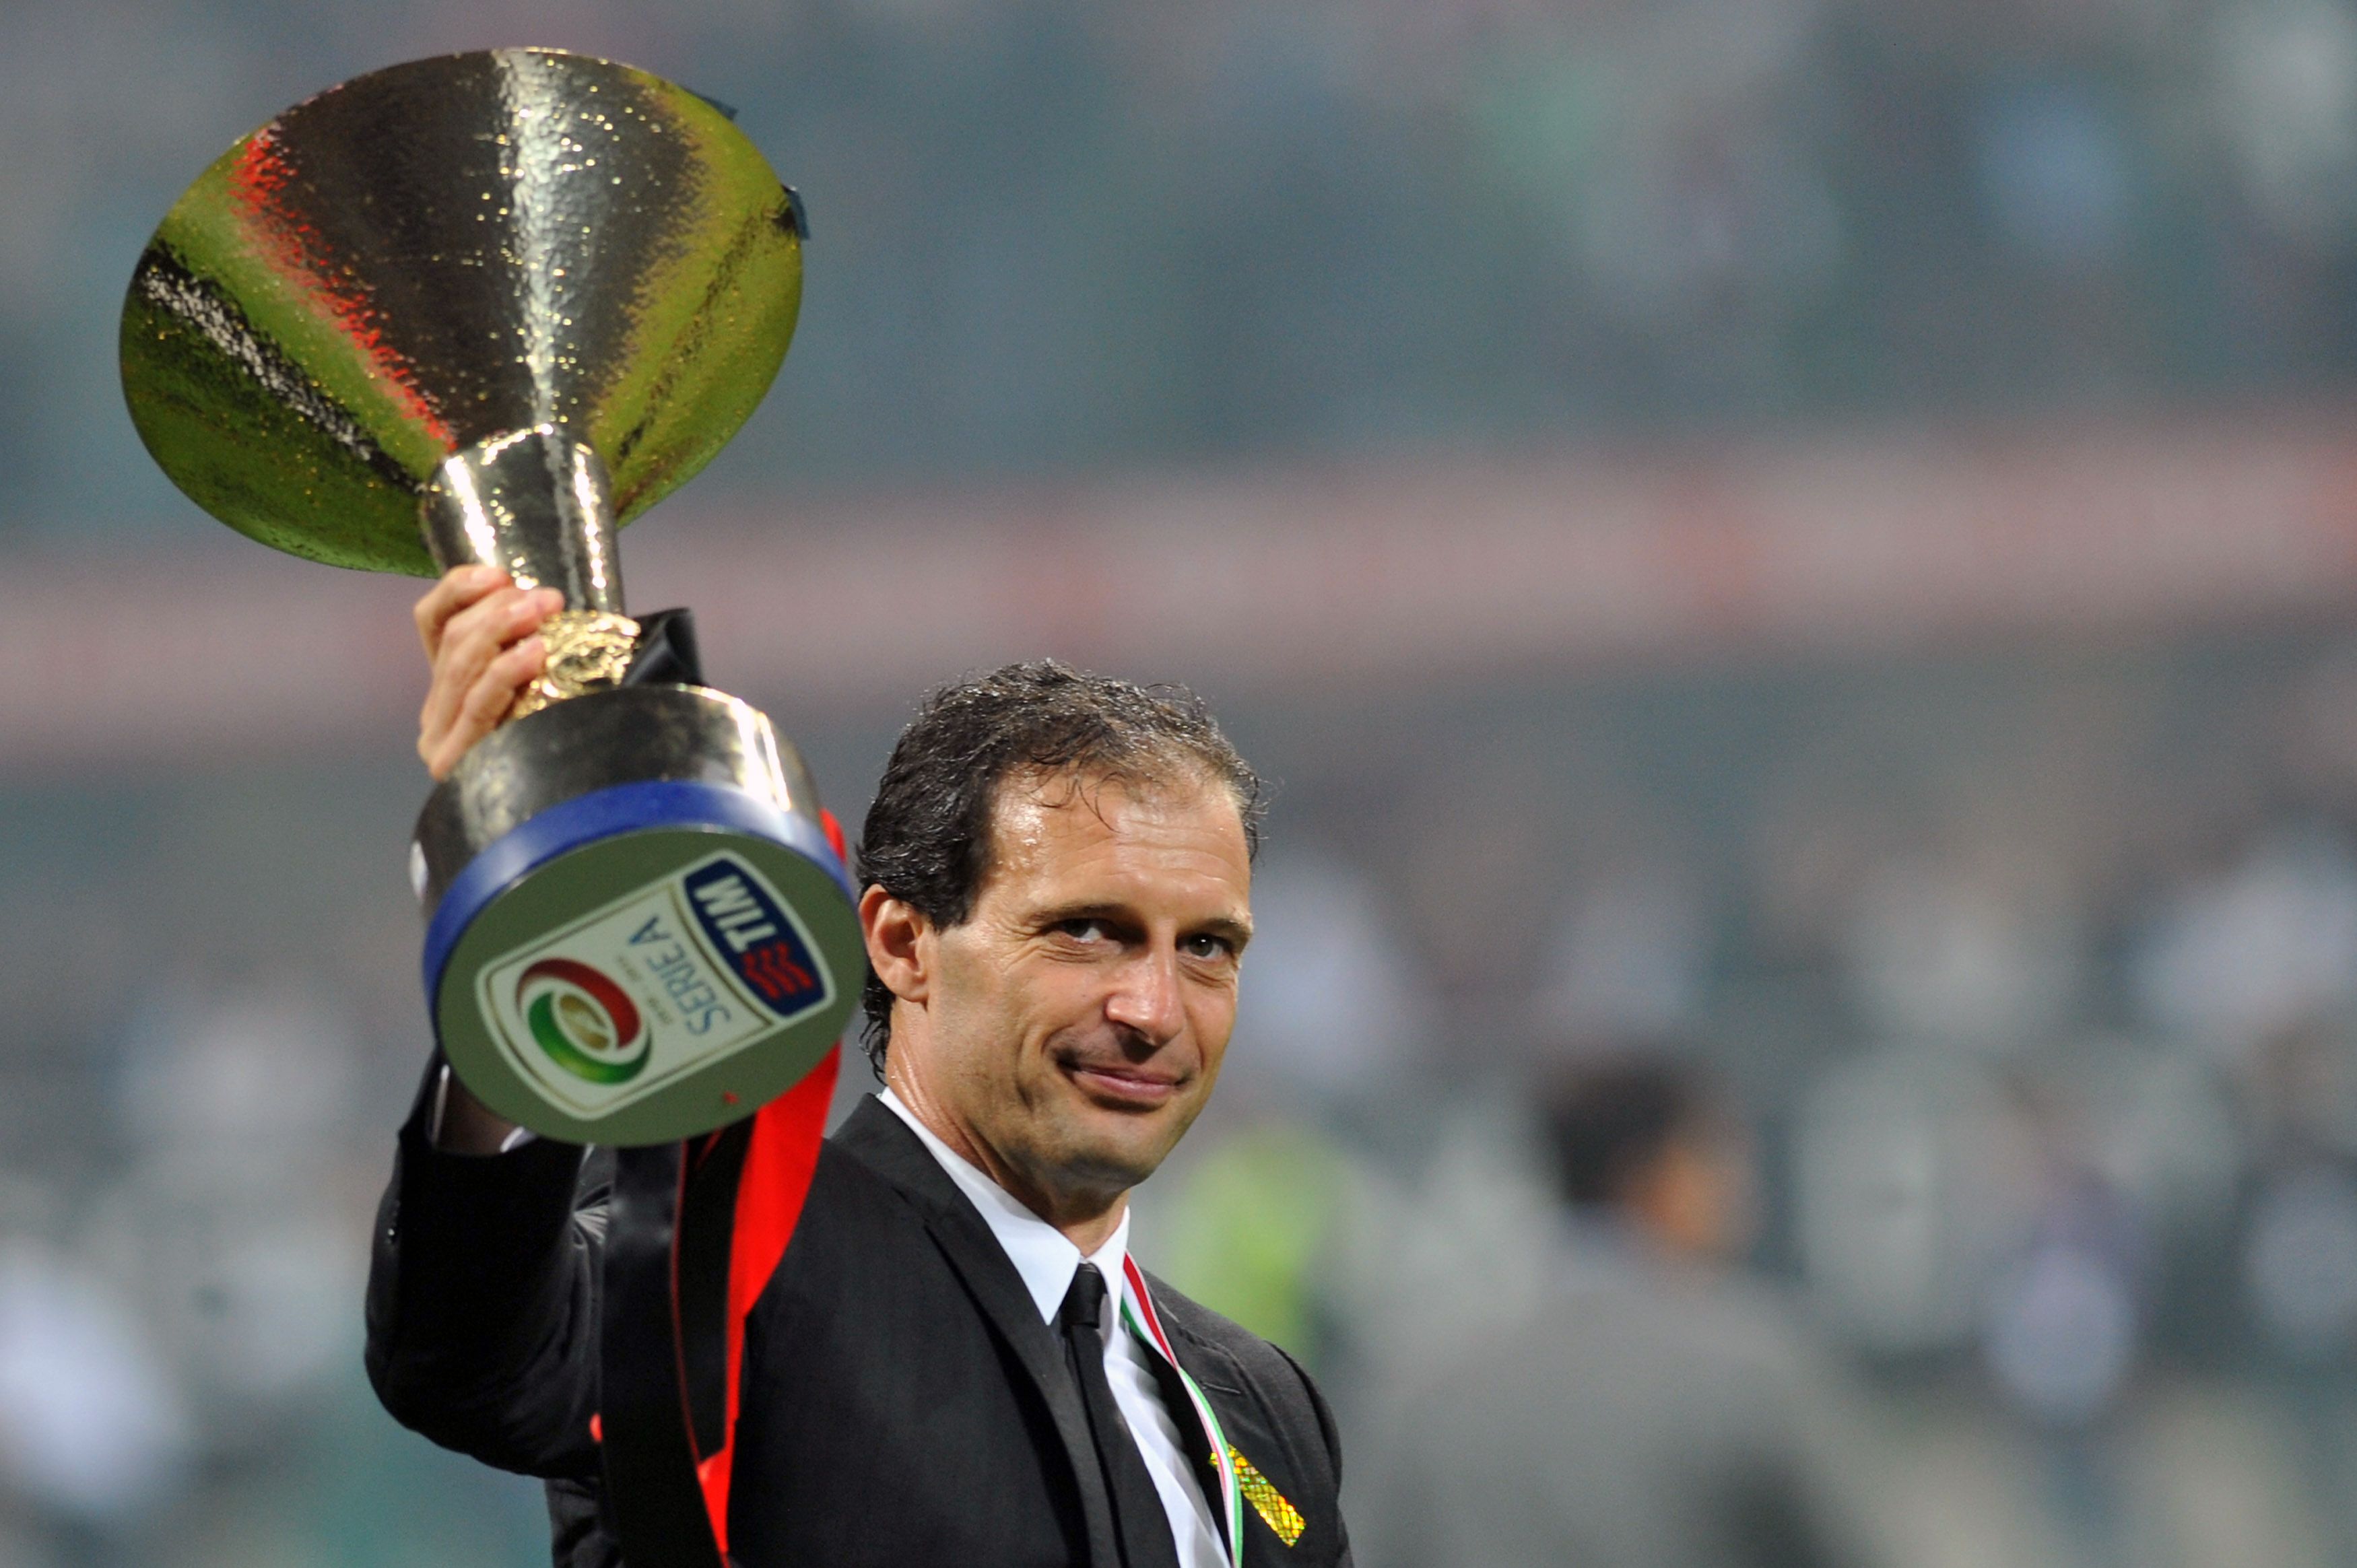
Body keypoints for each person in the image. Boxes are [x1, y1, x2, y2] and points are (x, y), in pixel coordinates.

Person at [366, 568, 1352, 1567]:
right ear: (901, 941)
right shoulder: (733, 1246)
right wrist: (533, 927)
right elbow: (478, 1358)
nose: (1153, 1010)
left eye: (1206, 948)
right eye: (1088, 931)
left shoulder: (1261, 1404)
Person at [1362, 1053, 1885, 1568]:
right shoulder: (1750, 1366)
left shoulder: (1430, 1386)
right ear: (1656, 1173)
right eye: (1714, 1155)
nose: (1736, 1184)